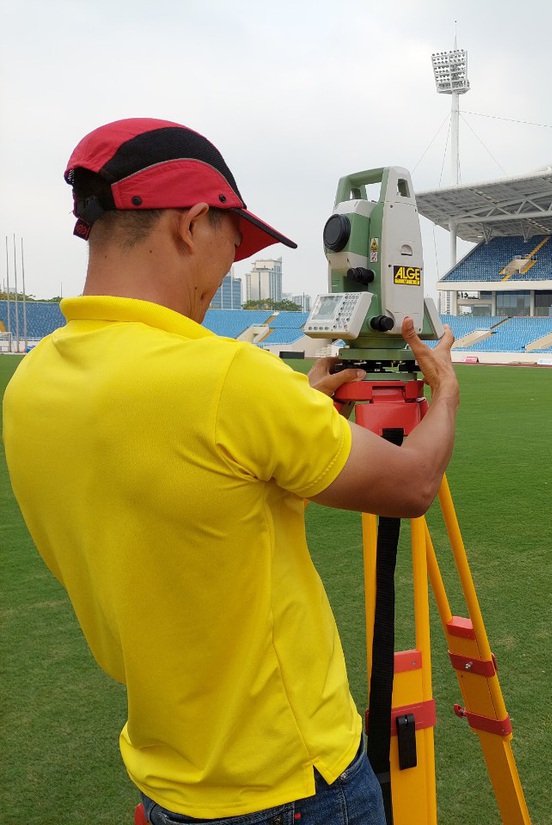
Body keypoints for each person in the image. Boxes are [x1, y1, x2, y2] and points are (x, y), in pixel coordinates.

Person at [2, 118, 459, 824]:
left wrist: (289, 409)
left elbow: (185, 483)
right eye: (232, 242)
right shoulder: (226, 382)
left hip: (171, 782)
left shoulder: (30, 386)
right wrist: (447, 395)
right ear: (190, 224)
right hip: (295, 783)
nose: (231, 270)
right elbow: (413, 484)